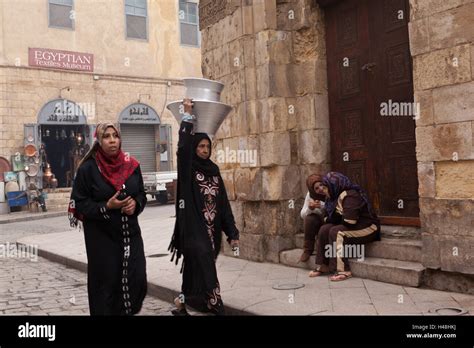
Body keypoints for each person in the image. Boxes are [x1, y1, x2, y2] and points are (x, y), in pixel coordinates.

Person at [168, 98, 240, 316]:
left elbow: (224, 205)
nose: (204, 149)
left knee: (194, 271)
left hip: (212, 232)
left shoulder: (214, 170)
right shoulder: (188, 170)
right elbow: (183, 148)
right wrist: (188, 117)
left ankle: (182, 302)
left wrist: (232, 233)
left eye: (207, 146)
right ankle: (215, 304)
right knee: (205, 266)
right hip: (193, 230)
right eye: (200, 146)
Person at [68, 123, 147, 315]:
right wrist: (106, 207)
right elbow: (78, 203)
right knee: (107, 286)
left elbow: (142, 195)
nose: (112, 140)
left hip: (130, 237)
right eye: (106, 136)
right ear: (99, 141)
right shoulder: (88, 169)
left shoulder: (132, 165)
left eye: (115, 136)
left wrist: (135, 204)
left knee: (136, 280)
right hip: (102, 240)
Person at [309, 172, 380, 281]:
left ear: (333, 185)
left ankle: (343, 270)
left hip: (368, 228)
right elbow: (327, 218)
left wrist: (334, 217)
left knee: (337, 231)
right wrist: (334, 217)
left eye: (325, 187)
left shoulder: (350, 195)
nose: (323, 190)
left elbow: (349, 221)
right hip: (354, 226)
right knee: (324, 229)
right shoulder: (332, 197)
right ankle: (323, 265)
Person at [299, 174, 326, 263]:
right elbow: (303, 214)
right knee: (309, 219)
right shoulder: (311, 195)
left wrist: (322, 205)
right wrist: (310, 209)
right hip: (320, 222)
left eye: (321, 185)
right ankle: (307, 250)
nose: (320, 189)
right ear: (312, 190)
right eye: (316, 188)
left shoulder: (330, 189)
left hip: (331, 221)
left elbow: (334, 207)